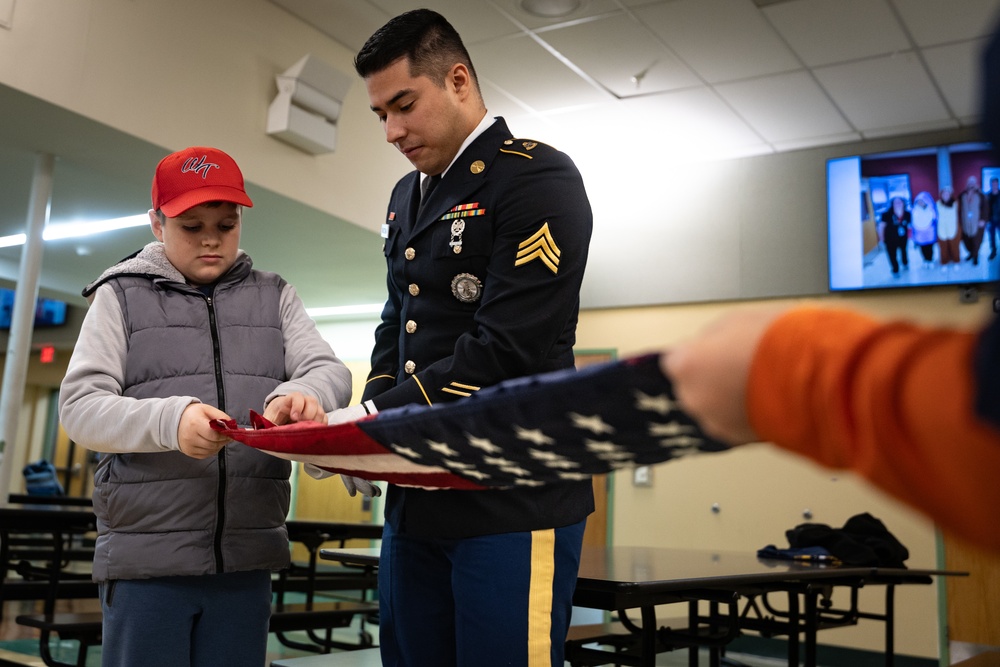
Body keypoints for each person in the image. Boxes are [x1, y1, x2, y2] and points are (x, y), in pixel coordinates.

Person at [318, 9, 595, 666]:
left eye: (404, 105)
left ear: (459, 80)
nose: (391, 131)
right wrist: (372, 426)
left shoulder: (536, 178)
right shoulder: (405, 195)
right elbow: (397, 326)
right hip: (418, 497)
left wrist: (371, 421)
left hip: (509, 495)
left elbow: (504, 352)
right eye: (380, 114)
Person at [58, 146, 353, 667]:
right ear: (156, 223)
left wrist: (302, 394)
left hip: (246, 559)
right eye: (191, 225)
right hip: (147, 563)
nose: (212, 237)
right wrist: (171, 421)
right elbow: (81, 408)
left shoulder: (275, 296)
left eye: (227, 221)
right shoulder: (120, 296)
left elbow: (330, 371)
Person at [878, 196, 911, 275]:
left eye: (900, 202)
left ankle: (905, 263)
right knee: (892, 255)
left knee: (904, 251)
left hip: (903, 238)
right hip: (890, 239)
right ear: (892, 204)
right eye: (895, 202)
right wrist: (882, 239)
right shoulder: (886, 214)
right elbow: (881, 227)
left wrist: (911, 236)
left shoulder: (907, 214)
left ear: (903, 203)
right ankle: (895, 269)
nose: (898, 204)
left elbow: (910, 226)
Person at [959, 175, 987, 265]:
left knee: (976, 240)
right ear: (967, 184)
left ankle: (975, 256)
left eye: (973, 183)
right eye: (969, 183)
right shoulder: (962, 195)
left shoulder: (981, 195)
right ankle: (971, 253)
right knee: (967, 240)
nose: (971, 185)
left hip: (977, 222)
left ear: (975, 184)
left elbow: (986, 208)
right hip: (965, 223)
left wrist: (983, 219)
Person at [910, 190, 937, 268]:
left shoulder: (930, 209)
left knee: (930, 247)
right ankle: (925, 260)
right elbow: (913, 222)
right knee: (922, 248)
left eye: (922, 201)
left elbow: (934, 218)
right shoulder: (914, 210)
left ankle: (930, 259)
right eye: (919, 201)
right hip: (919, 233)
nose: (920, 203)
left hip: (929, 232)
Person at [936, 185, 961, 270]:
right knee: (943, 248)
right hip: (941, 229)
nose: (945, 195)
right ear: (941, 195)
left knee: (955, 247)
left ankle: (956, 261)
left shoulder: (955, 203)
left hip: (953, 228)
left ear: (950, 194)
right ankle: (944, 262)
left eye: (947, 194)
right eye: (944, 194)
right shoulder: (938, 204)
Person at [988, 176, 1000, 260]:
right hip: (991, 219)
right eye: (993, 183)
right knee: (991, 237)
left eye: (996, 183)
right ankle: (993, 251)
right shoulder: (988, 196)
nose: (994, 185)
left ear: (998, 184)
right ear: (991, 184)